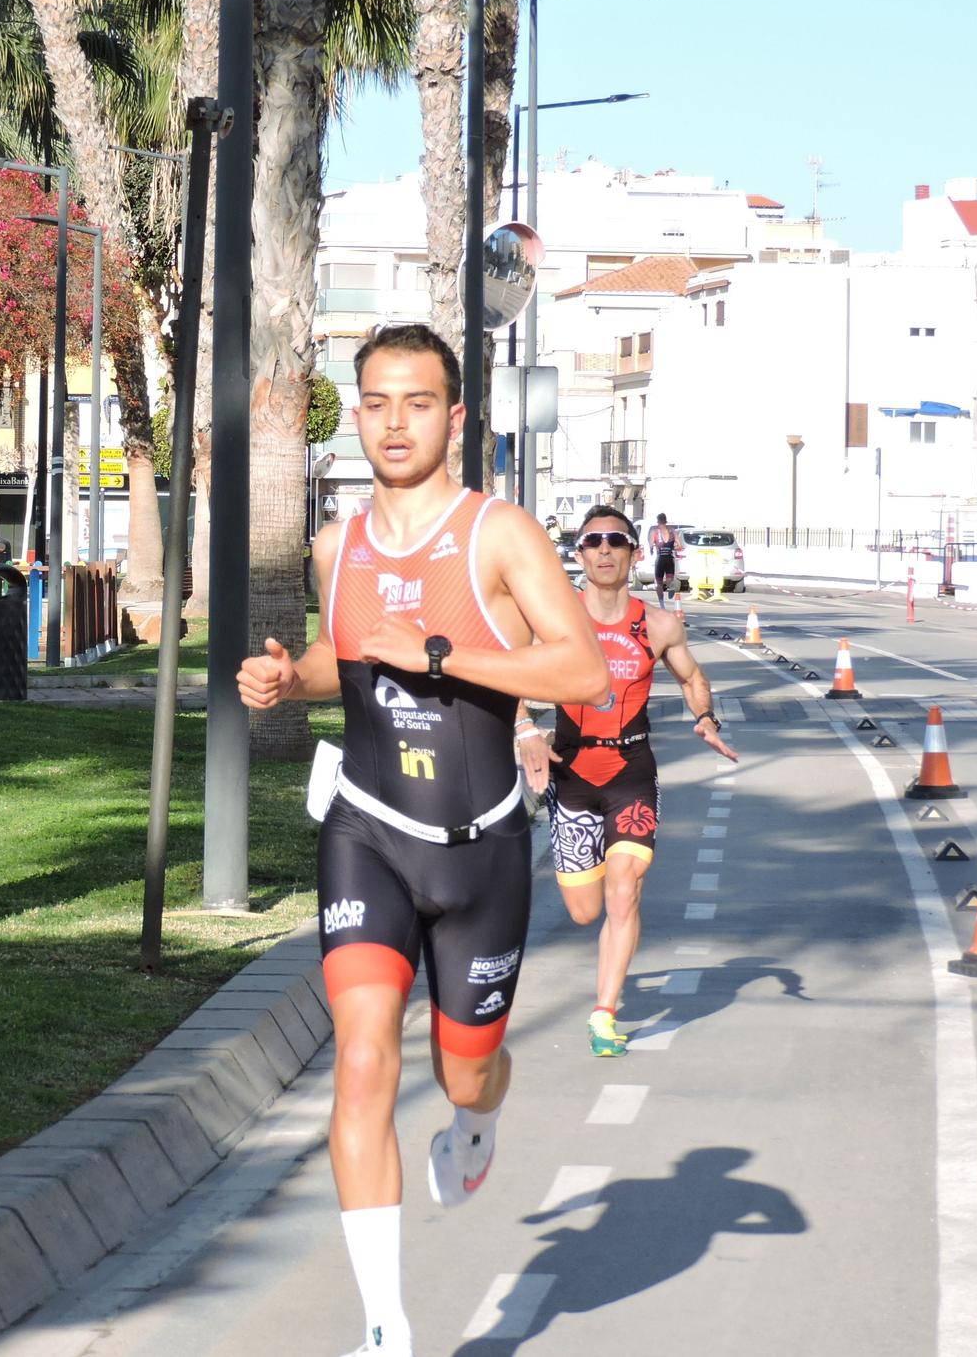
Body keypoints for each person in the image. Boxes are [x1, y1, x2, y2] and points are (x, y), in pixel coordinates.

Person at [237, 324, 609, 1357]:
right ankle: (384, 1327)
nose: (393, 421)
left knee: (461, 1073)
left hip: (480, 849)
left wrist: (444, 654)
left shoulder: (496, 534)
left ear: (453, 416)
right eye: (375, 402)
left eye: (415, 402)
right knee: (359, 1060)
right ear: (353, 414)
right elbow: (341, 656)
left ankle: (477, 1122)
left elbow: (582, 674)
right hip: (368, 832)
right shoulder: (336, 544)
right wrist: (288, 678)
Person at [517, 503, 737, 1059]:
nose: (605, 550)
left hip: (631, 771)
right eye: (593, 542)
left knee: (624, 890)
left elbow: (692, 677)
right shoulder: (555, 620)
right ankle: (609, 991)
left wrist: (705, 717)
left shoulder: (659, 625)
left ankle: (604, 1011)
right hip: (571, 774)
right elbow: (508, 676)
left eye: (616, 540)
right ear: (579, 553)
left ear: (635, 551)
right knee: (585, 911)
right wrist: (526, 729)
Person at [646, 511, 683, 608]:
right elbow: (680, 545)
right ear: (665, 521)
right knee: (669, 580)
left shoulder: (655, 532)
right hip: (669, 558)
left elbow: (650, 545)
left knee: (659, 583)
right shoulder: (672, 531)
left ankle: (662, 604)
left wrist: (651, 549)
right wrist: (672, 548)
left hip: (660, 559)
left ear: (658, 522)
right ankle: (671, 587)